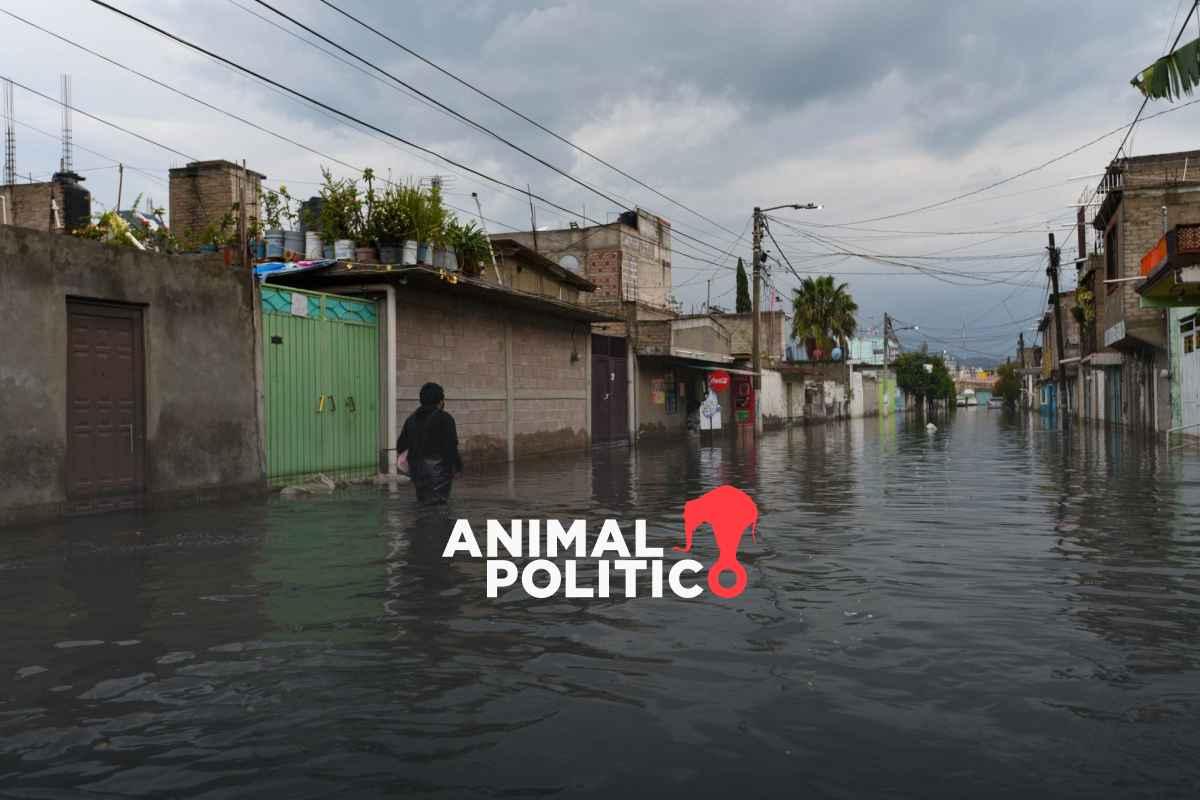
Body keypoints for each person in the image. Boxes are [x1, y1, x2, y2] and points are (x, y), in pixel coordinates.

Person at [396, 382, 463, 505]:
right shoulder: (445, 418)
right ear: (440, 401)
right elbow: (451, 446)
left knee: (423, 506)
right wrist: (458, 467)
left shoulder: (411, 420)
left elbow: (401, 446)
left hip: (417, 472)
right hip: (439, 473)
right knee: (439, 509)